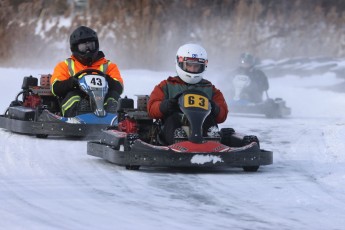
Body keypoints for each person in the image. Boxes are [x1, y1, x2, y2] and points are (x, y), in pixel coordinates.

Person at [147, 43, 228, 145]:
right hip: (172, 128)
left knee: (209, 119)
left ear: (203, 66)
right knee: (173, 118)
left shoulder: (210, 89)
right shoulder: (166, 85)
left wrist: (214, 108)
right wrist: (165, 105)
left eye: (196, 66)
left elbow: (222, 115)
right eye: (189, 65)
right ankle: (179, 140)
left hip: (202, 126)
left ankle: (211, 141)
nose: (193, 69)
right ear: (180, 63)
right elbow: (151, 109)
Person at [50, 26, 124, 117]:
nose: (88, 50)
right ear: (75, 48)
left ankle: (112, 116)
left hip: (103, 104)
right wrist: (72, 83)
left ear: (96, 45)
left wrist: (107, 79)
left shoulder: (109, 66)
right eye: (83, 47)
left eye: (90, 46)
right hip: (75, 110)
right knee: (74, 95)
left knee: (113, 95)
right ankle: (81, 112)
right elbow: (55, 88)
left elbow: (119, 88)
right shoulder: (65, 65)